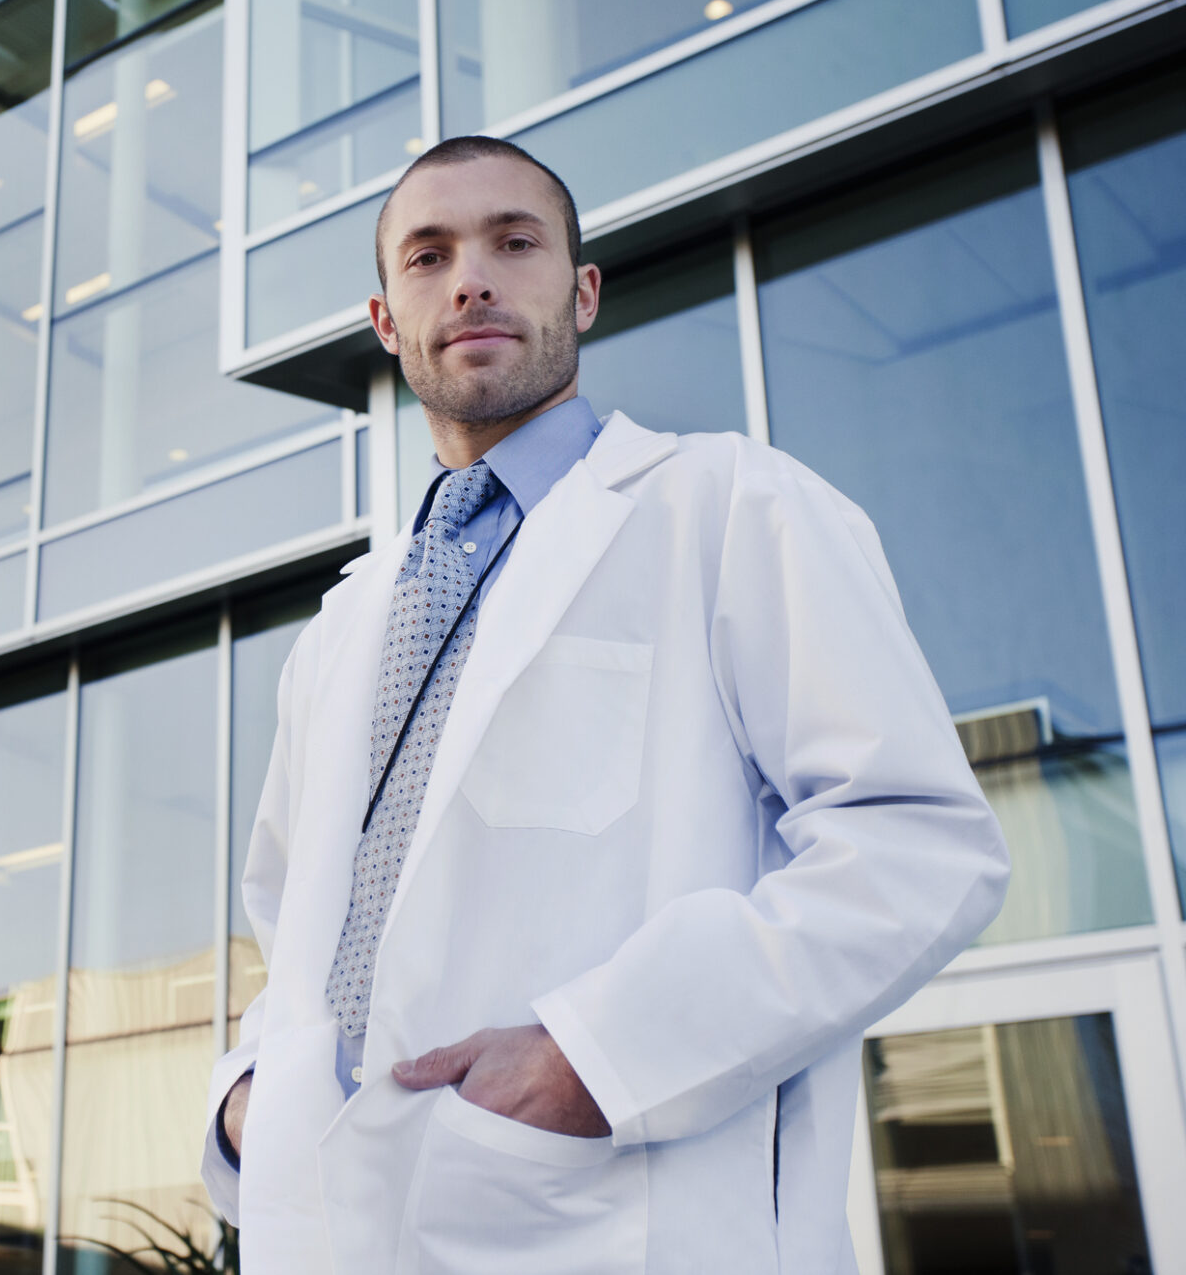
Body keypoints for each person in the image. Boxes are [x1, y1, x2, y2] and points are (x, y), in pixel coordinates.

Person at [200, 135, 1009, 1274]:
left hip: (602, 1219)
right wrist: (248, 1100)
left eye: (512, 242)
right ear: (386, 322)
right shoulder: (344, 627)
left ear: (580, 292)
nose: (470, 277)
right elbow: (292, 928)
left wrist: (593, 1056)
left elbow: (914, 846)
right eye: (427, 256)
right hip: (332, 1227)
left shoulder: (729, 508)